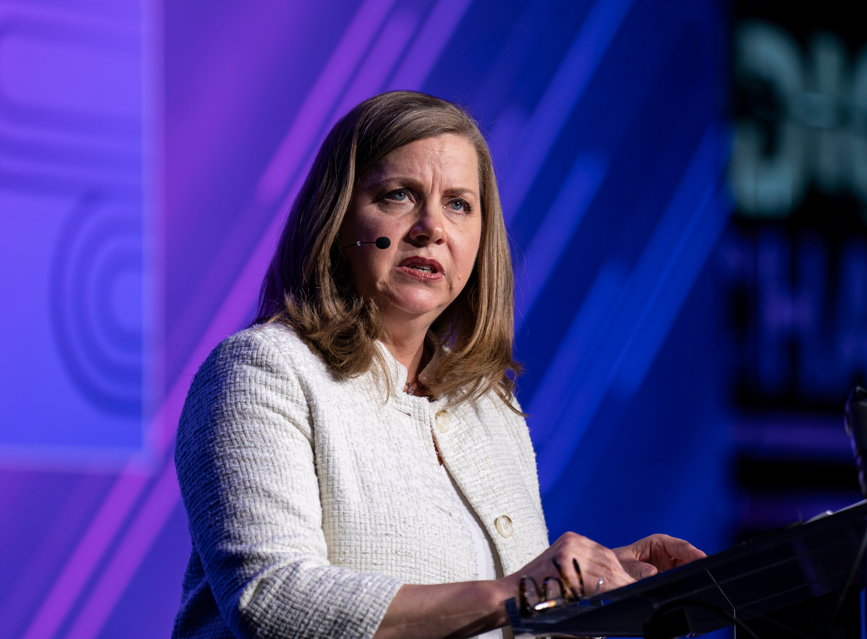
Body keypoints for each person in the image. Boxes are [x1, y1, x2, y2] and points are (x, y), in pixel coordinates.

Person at [172, 91, 705, 639]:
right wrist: (524, 591)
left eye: (458, 205)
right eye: (399, 195)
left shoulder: (490, 406)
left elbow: (502, 613)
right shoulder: (262, 370)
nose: (432, 226)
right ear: (337, 218)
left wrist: (598, 589)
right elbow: (272, 601)